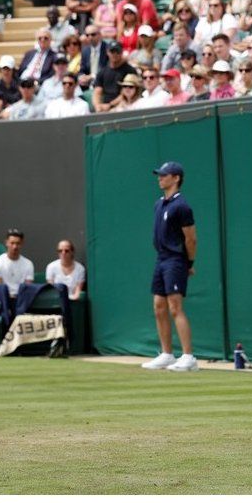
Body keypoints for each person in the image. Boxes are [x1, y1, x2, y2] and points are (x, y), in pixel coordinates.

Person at [141, 162, 199, 372]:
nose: (160, 178)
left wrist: (188, 263)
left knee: (175, 308)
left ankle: (188, 357)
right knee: (158, 306)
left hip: (175, 260)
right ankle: (166, 354)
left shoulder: (181, 205)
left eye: (164, 175)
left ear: (176, 178)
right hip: (161, 259)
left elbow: (191, 239)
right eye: (159, 175)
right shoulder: (159, 204)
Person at [92, 41, 138, 112]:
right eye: (112, 51)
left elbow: (127, 93)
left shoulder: (130, 70)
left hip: (123, 105)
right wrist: (97, 106)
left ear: (122, 52)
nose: (115, 54)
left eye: (117, 51)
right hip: (105, 106)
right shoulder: (102, 72)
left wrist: (110, 105)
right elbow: (97, 92)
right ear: (107, 52)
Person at [0, 228, 34, 298]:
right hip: (3, 298)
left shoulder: (28, 264)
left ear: (22, 243)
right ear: (6, 243)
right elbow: (0, 287)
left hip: (22, 298)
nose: (15, 247)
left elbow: (27, 286)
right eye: (12, 243)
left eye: (18, 243)